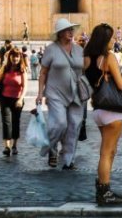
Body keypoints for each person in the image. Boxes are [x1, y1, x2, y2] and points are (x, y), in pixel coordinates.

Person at [83, 23, 122, 205]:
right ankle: (104, 190)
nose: (114, 41)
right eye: (112, 38)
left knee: (110, 151)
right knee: (106, 152)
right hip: (112, 110)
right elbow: (120, 85)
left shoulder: (86, 58)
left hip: (98, 109)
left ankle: (104, 187)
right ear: (105, 39)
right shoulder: (108, 58)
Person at [35, 18, 86, 169]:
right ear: (60, 33)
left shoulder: (79, 50)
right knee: (60, 123)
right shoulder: (51, 49)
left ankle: (68, 160)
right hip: (55, 92)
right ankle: (49, 147)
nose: (71, 32)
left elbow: (84, 70)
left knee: (73, 126)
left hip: (75, 93)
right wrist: (40, 94)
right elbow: (43, 73)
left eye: (71, 30)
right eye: (67, 30)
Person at [0, 47, 27, 156]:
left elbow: (25, 87)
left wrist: (20, 99)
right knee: (6, 123)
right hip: (5, 98)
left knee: (16, 122)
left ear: (20, 57)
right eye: (13, 56)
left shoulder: (22, 70)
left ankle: (14, 145)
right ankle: (6, 146)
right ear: (10, 57)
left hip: (17, 99)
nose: (15, 58)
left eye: (17, 56)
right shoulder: (6, 68)